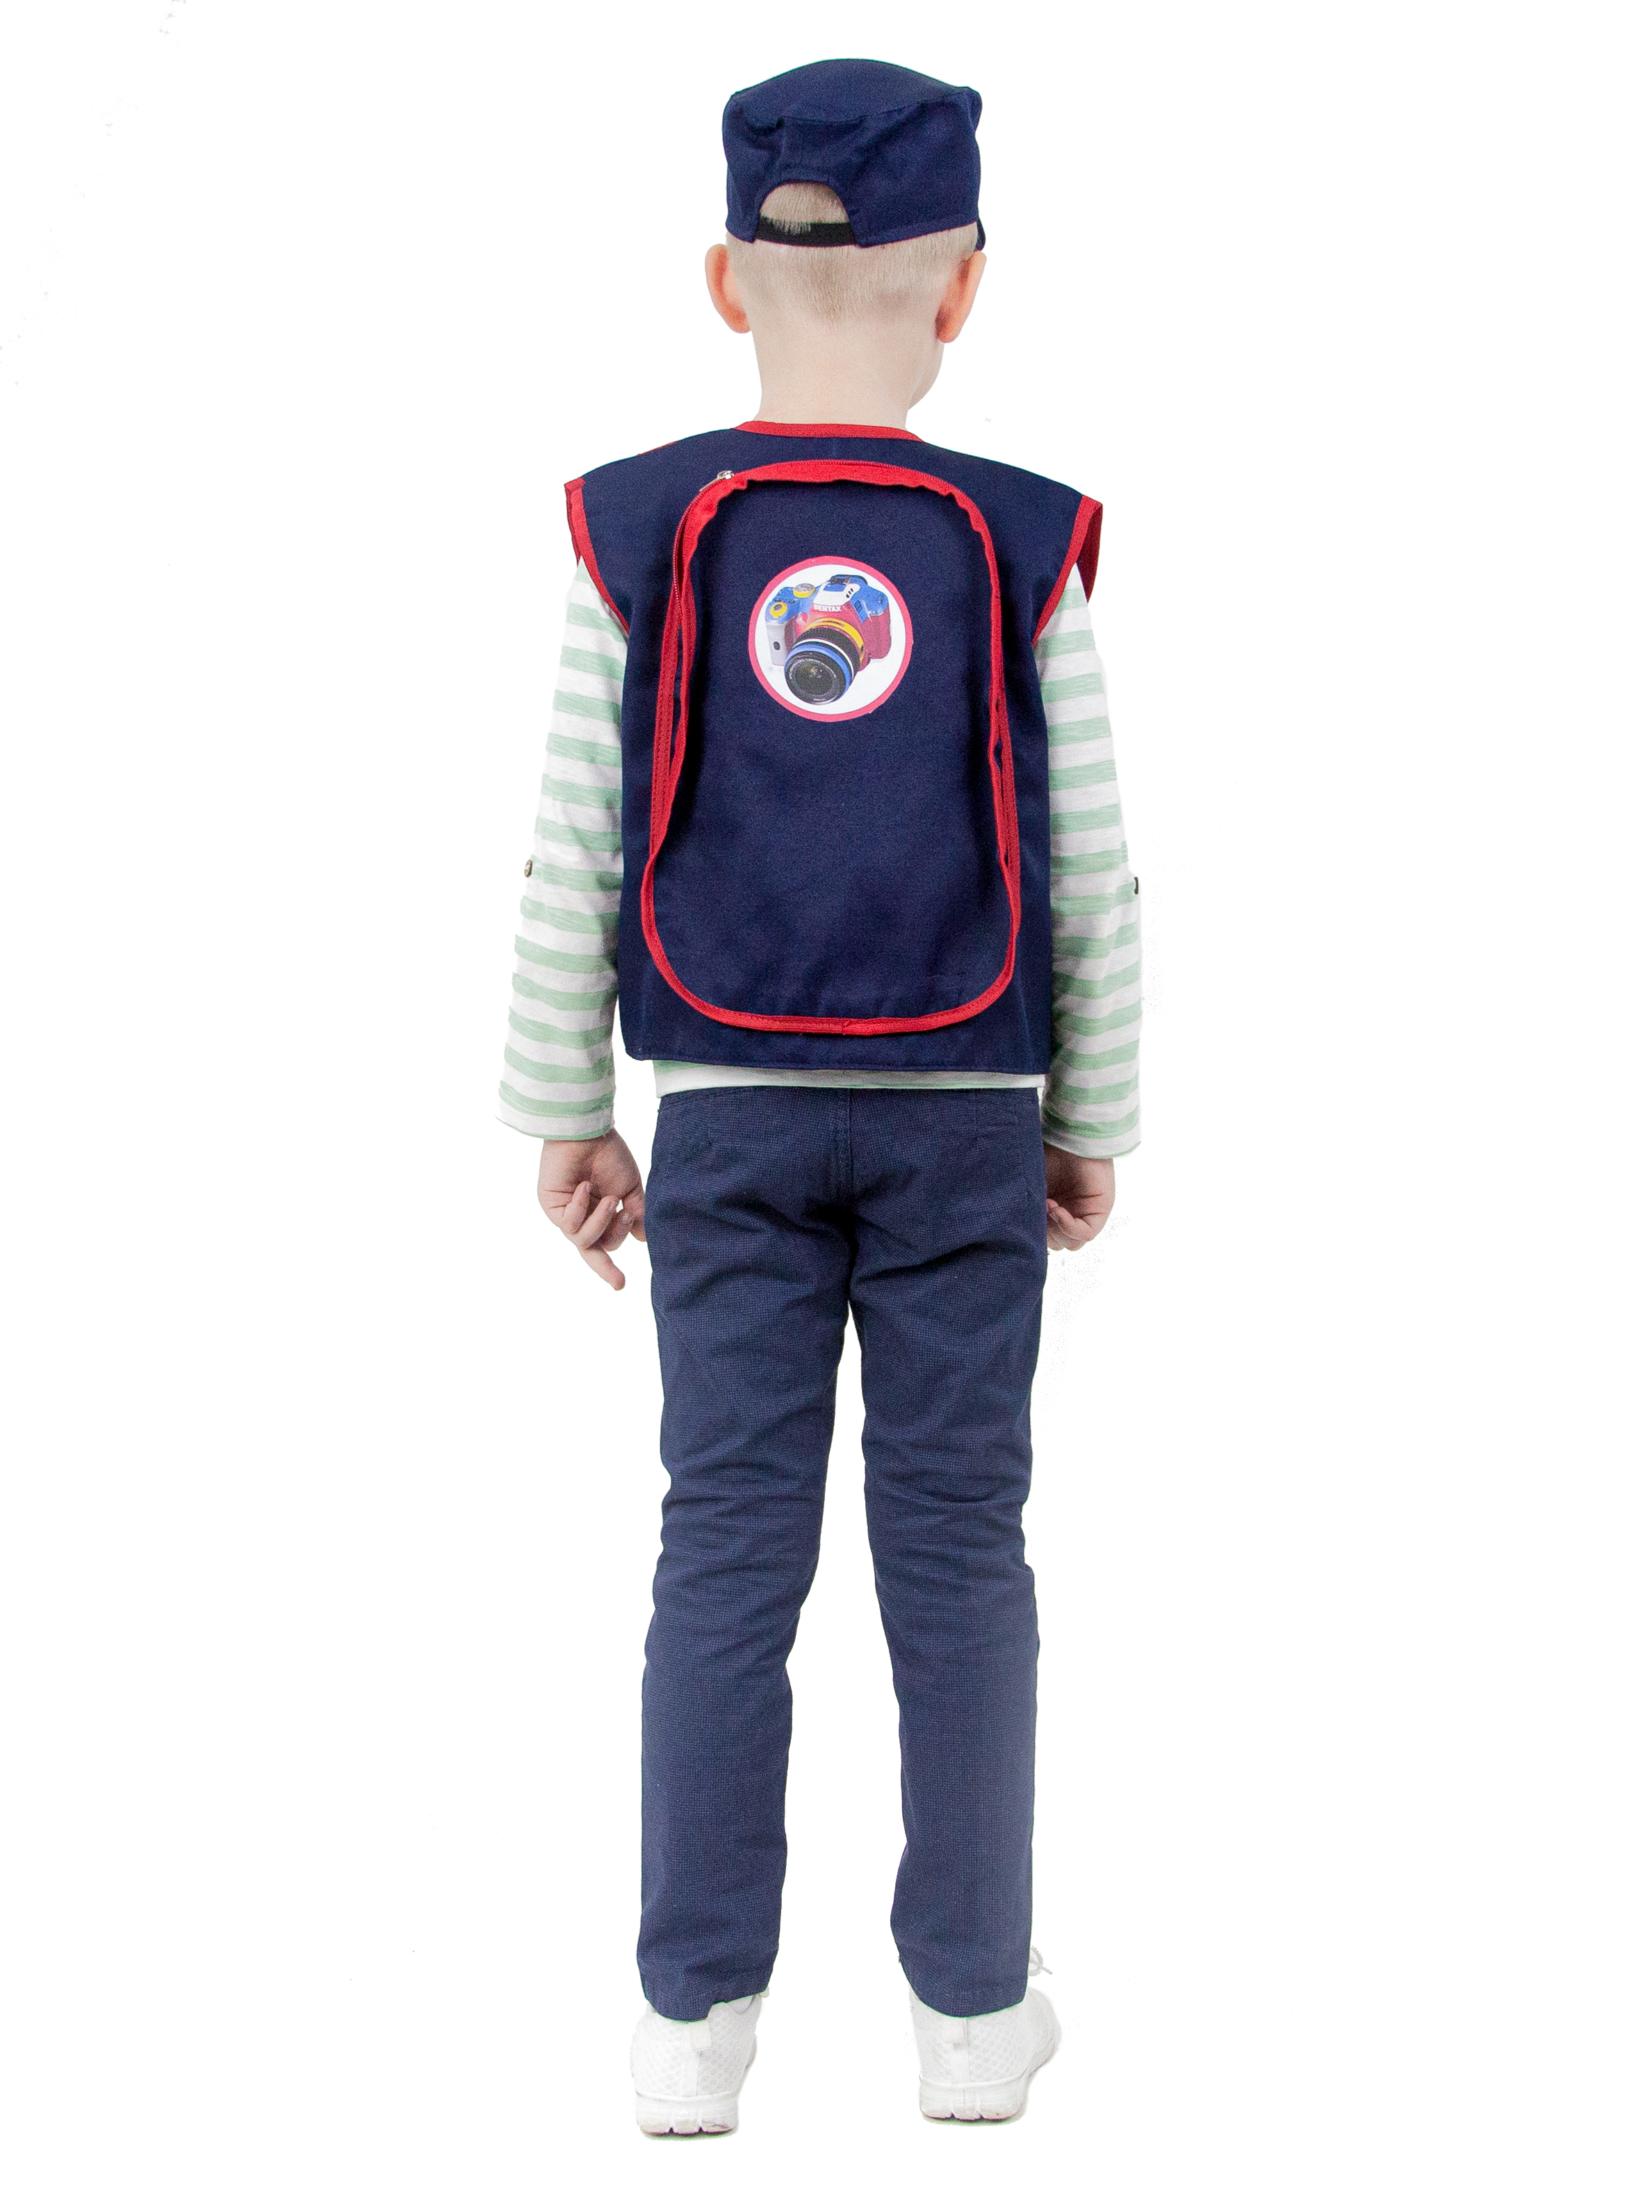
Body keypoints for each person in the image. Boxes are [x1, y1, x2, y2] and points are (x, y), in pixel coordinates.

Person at [497, 58, 1142, 2131]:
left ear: (722, 283)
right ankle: (971, 2014)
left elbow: (575, 844)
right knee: (958, 1553)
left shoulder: (641, 530)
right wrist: (1090, 1115)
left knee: (723, 1551)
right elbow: (1093, 864)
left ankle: (691, 2026)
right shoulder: (1023, 541)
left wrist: (566, 1105)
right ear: (964, 291)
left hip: (726, 1108)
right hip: (965, 1110)